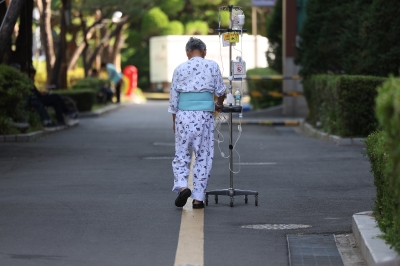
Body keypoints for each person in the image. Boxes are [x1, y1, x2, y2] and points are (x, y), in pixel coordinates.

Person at [168, 37, 226, 209]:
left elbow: (174, 100)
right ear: (204, 51)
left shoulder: (179, 68)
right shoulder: (212, 65)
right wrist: (219, 105)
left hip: (183, 116)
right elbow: (221, 90)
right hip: (204, 117)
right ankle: (198, 199)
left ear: (187, 52)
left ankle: (183, 187)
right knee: (203, 156)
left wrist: (174, 122)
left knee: (181, 154)